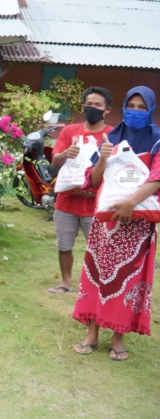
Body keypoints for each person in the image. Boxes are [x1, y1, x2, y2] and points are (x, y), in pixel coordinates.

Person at [72, 86, 159, 361]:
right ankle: (92, 333)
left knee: (128, 280)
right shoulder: (110, 136)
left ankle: (118, 337)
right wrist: (104, 157)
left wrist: (130, 203)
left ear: (151, 110)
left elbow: (158, 177)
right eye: (130, 105)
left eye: (141, 107)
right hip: (107, 224)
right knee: (98, 275)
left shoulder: (157, 139)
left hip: (137, 225)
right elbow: (94, 179)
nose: (134, 111)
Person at [48, 87, 114, 294]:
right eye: (89, 104)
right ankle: (66, 283)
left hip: (96, 204)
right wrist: (66, 153)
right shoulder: (69, 131)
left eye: (98, 105)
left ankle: (97, 286)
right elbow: (55, 159)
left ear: (107, 110)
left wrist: (95, 190)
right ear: (83, 106)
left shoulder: (113, 135)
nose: (92, 108)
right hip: (66, 202)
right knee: (64, 245)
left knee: (99, 249)